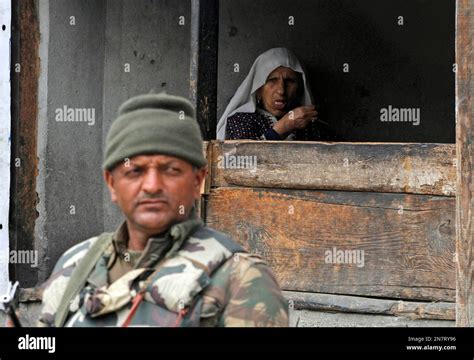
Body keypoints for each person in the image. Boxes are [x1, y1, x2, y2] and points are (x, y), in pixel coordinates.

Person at [37, 93, 289, 327]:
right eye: (135, 171)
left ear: (197, 180)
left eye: (171, 170)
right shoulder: (76, 264)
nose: (152, 186)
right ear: (112, 184)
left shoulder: (242, 279)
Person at [217, 47, 334, 141]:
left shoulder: (315, 128)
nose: (281, 90)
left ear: (300, 88)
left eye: (290, 81)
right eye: (272, 80)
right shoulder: (240, 122)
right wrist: (284, 127)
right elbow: (242, 164)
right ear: (258, 89)